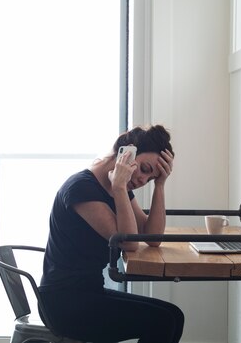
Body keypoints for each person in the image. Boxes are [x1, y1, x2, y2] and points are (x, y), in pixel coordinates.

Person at [39, 125, 184, 343]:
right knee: (163, 321)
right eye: (145, 169)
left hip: (89, 292)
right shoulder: (82, 189)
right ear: (127, 154)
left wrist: (160, 186)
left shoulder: (118, 187)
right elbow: (128, 243)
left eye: (151, 178)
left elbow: (152, 238)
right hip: (64, 303)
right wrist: (119, 187)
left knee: (174, 316)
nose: (144, 180)